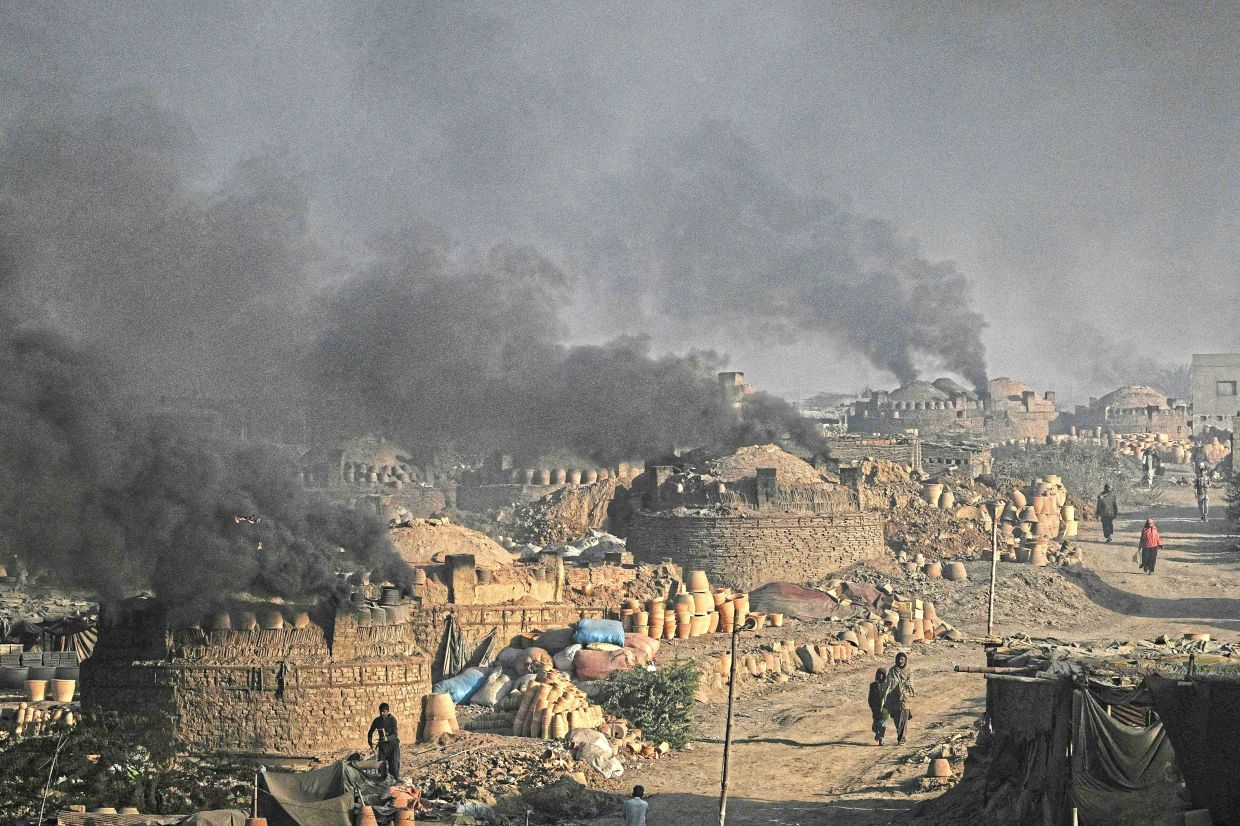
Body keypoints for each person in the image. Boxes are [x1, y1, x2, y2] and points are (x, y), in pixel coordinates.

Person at [880, 653, 916, 745]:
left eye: (902, 659)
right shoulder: (892, 670)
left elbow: (911, 684)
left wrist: (904, 686)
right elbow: (888, 684)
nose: (900, 661)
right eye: (899, 659)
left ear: (905, 660)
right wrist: (885, 696)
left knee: (903, 718)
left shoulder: (909, 671)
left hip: (905, 698)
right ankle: (901, 735)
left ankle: (902, 739)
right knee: (897, 719)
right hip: (894, 698)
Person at [368, 702, 400, 780]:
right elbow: (370, 732)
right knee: (381, 767)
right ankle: (383, 783)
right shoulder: (377, 720)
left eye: (384, 712)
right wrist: (371, 745)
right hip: (383, 746)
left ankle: (395, 781)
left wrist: (387, 738)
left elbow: (395, 735)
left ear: (388, 711)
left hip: (393, 745)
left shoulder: (393, 720)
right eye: (381, 712)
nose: (382, 713)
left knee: (394, 765)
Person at [868, 668, 889, 745]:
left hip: (885, 708)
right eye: (879, 674)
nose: (881, 675)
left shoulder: (887, 685)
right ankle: (877, 733)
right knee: (875, 725)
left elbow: (889, 696)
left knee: (883, 724)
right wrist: (872, 707)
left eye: (882, 674)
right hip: (876, 708)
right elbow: (870, 697)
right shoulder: (873, 685)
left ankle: (881, 738)